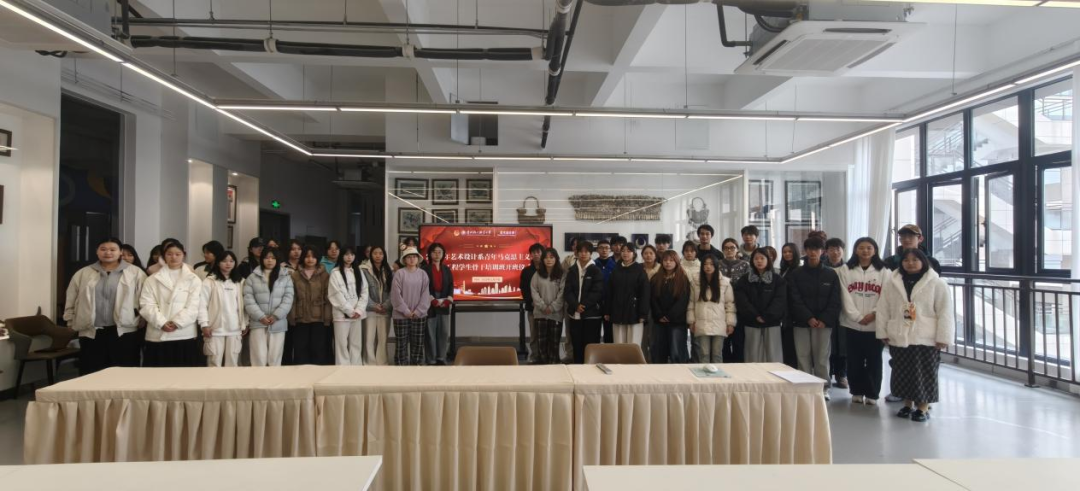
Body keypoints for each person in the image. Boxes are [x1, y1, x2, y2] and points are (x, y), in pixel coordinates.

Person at [876, 248, 954, 422]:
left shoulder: (937, 283)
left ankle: (922, 408)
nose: (910, 263)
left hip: (925, 335)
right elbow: (883, 308)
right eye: (906, 260)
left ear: (923, 261)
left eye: (915, 260)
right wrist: (882, 331)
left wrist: (943, 336)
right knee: (902, 371)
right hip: (899, 333)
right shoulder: (892, 282)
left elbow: (945, 312)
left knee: (924, 372)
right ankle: (907, 404)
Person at [64, 237, 147, 374]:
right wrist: (69, 319)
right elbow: (71, 297)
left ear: (120, 252)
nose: (108, 253)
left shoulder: (135, 272)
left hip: (124, 331)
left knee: (124, 371)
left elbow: (144, 299)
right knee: (92, 370)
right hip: (91, 331)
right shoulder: (84, 273)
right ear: (97, 251)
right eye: (103, 249)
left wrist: (142, 318)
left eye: (112, 249)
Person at [787, 237, 842, 400]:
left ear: (822, 251)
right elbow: (794, 298)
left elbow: (835, 300)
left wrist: (824, 319)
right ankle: (805, 386)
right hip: (801, 322)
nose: (812, 252)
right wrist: (808, 317)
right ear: (805, 251)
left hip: (824, 323)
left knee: (822, 357)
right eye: (809, 249)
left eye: (816, 249)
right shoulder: (796, 274)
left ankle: (823, 387)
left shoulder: (830, 274)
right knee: (803, 355)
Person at [839, 237, 888, 405]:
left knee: (875, 360)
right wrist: (857, 317)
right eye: (861, 247)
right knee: (854, 359)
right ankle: (856, 391)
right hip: (852, 324)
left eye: (869, 248)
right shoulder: (846, 269)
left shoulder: (884, 271)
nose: (865, 251)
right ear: (855, 250)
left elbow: (886, 296)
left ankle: (873, 393)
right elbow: (844, 295)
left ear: (875, 250)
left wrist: (874, 313)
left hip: (875, 324)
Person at [140, 240, 202, 367]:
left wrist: (177, 322)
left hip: (184, 333)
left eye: (177, 254)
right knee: (157, 373)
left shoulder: (193, 279)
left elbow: (194, 305)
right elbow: (146, 304)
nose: (173, 257)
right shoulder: (152, 279)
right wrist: (161, 322)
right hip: (158, 332)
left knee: (184, 373)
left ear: (184, 255)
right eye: (169, 254)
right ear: (163, 256)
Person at [243, 248, 295, 367]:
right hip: (258, 322)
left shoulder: (286, 277)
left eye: (273, 258)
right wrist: (260, 316)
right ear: (262, 259)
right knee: (258, 358)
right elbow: (248, 299)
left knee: (275, 358)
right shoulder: (252, 277)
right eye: (266, 258)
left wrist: (276, 315)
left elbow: (288, 298)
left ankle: (274, 379)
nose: (270, 260)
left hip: (278, 323)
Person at [736, 248, 787, 363]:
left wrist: (767, 316)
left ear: (768, 260)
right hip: (751, 322)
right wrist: (755, 315)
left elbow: (780, 300)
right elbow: (742, 301)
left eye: (762, 258)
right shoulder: (744, 280)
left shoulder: (778, 280)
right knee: (752, 354)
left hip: (772, 322)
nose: (759, 261)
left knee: (773, 355)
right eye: (756, 259)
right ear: (752, 261)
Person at [198, 250, 246, 367]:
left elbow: (244, 305)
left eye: (231, 261)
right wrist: (204, 324)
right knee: (214, 362)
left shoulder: (240, 281)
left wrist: (245, 323)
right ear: (218, 262)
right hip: (215, 328)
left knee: (233, 362)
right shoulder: (209, 281)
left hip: (235, 327)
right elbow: (202, 304)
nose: (228, 264)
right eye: (224, 261)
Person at [288, 246, 332, 365]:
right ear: (303, 258)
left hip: (319, 318)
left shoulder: (324, 275)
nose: (310, 259)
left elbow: (328, 298)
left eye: (313, 257)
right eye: (307, 256)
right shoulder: (295, 275)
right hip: (300, 317)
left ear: (318, 258)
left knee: (318, 348)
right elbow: (292, 298)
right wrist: (292, 317)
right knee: (300, 348)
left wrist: (327, 318)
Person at [688, 255, 735, 363]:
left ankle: (717, 374)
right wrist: (691, 321)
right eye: (705, 264)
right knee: (703, 354)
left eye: (711, 264)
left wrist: (730, 323)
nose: (708, 266)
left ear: (716, 266)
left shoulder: (725, 282)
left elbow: (730, 304)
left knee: (717, 354)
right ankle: (704, 374)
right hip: (701, 323)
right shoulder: (695, 282)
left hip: (719, 323)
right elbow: (691, 303)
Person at [329, 246, 370, 365]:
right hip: (341, 315)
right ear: (341, 256)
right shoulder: (335, 273)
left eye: (352, 254)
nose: (349, 257)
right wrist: (350, 311)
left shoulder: (359, 271)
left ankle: (356, 368)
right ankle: (342, 369)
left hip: (357, 314)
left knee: (356, 344)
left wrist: (359, 310)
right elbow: (335, 294)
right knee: (341, 344)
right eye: (346, 254)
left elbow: (364, 291)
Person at [564, 241, 604, 363]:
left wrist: (584, 305)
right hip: (575, 314)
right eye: (581, 251)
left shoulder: (596, 270)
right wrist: (576, 305)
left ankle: (590, 370)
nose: (583, 254)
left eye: (586, 251)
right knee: (576, 345)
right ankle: (577, 368)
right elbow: (568, 291)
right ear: (576, 253)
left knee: (590, 346)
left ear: (591, 253)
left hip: (591, 315)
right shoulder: (572, 270)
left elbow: (597, 292)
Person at [391, 247, 432, 366]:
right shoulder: (399, 273)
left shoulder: (423, 274)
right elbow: (395, 295)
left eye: (414, 257)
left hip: (419, 315)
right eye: (409, 257)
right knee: (401, 343)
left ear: (418, 259)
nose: (412, 259)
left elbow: (425, 295)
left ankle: (417, 366)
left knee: (418, 343)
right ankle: (401, 366)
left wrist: (418, 311)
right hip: (400, 315)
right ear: (404, 260)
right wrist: (406, 311)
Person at [604, 243, 650, 346]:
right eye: (623, 251)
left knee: (633, 344)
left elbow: (645, 293)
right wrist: (607, 311)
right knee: (618, 343)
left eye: (629, 251)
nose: (625, 253)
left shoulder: (639, 270)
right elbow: (610, 292)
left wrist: (643, 314)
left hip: (634, 313)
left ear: (634, 253)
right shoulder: (616, 269)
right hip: (617, 312)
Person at [650, 250, 692, 363]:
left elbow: (683, 301)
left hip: (676, 322)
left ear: (676, 262)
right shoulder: (656, 278)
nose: (668, 263)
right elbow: (652, 299)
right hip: (659, 321)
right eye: (665, 260)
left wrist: (670, 316)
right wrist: (659, 315)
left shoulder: (683, 279)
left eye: (671, 260)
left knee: (676, 352)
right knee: (659, 351)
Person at [530, 247, 566, 365]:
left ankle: (554, 364)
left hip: (556, 314)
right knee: (542, 343)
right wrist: (543, 306)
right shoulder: (537, 274)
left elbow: (562, 293)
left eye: (551, 257)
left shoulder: (562, 274)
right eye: (546, 257)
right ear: (542, 260)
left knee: (554, 343)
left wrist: (552, 308)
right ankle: (543, 366)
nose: (549, 260)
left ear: (556, 259)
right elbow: (534, 291)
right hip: (540, 314)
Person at [422, 242, 455, 365]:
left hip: (444, 302)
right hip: (429, 303)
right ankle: (431, 359)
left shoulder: (446, 269)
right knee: (430, 332)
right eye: (434, 252)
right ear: (430, 254)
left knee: (444, 332)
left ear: (443, 254)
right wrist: (432, 299)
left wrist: (448, 299)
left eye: (439, 252)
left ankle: (441, 357)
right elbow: (423, 286)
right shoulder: (424, 269)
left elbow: (451, 285)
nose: (437, 254)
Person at [823, 237, 849, 388]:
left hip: (845, 310)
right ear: (826, 252)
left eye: (838, 249)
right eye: (831, 249)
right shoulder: (822, 268)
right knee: (828, 343)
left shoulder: (849, 269)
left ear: (843, 251)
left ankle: (842, 375)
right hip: (826, 310)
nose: (835, 252)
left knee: (843, 344)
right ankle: (828, 373)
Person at [360, 245, 392, 365]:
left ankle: (382, 362)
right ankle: (369, 363)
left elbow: (393, 291)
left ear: (384, 255)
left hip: (385, 310)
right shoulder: (363, 270)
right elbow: (362, 290)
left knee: (383, 338)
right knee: (369, 338)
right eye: (375, 253)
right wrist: (373, 306)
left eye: (380, 253)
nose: (378, 256)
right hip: (370, 310)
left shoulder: (389, 270)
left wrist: (386, 306)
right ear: (370, 255)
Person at [520, 243, 545, 364]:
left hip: (547, 308)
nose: (536, 254)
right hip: (532, 307)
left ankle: (546, 355)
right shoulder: (526, 271)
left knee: (546, 333)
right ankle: (535, 356)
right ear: (530, 255)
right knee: (534, 334)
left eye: (538, 252)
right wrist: (532, 301)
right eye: (533, 252)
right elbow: (524, 289)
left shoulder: (549, 269)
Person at [779, 242, 801, 367]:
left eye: (790, 251)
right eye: (784, 252)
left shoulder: (798, 269)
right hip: (784, 311)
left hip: (794, 312)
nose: (787, 254)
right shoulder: (784, 268)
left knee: (792, 345)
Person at [594, 239, 617, 344]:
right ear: (597, 250)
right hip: (595, 304)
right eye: (601, 248)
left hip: (610, 304)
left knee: (610, 334)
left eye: (607, 248)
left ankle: (609, 354)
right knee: (594, 333)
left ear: (610, 250)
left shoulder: (615, 266)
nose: (604, 250)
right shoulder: (592, 265)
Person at [640, 245, 661, 356]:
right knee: (642, 335)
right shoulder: (638, 268)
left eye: (651, 253)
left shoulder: (661, 269)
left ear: (655, 255)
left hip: (656, 306)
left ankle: (653, 359)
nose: (648, 256)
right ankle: (642, 358)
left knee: (654, 335)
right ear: (642, 255)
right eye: (646, 253)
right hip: (641, 306)